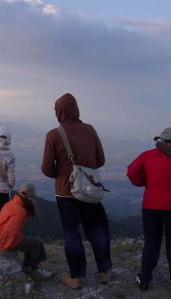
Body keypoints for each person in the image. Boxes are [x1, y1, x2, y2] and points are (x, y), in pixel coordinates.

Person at [41, 93, 112, 289]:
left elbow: (46, 169)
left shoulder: (53, 135)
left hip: (65, 193)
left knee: (72, 234)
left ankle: (77, 276)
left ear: (59, 111)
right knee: (97, 230)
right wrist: (85, 169)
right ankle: (105, 271)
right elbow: (101, 160)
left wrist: (63, 175)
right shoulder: (90, 130)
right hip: (89, 189)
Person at [127, 127, 171, 294]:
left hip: (149, 207)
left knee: (151, 242)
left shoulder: (147, 155)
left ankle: (144, 280)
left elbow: (131, 173)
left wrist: (146, 182)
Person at [0, 183, 51, 278]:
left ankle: (30, 265)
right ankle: (33, 269)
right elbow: (9, 233)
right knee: (36, 244)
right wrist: (1, 248)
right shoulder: (20, 212)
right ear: (28, 198)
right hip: (2, 244)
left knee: (30, 242)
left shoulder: (10, 203)